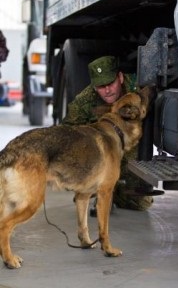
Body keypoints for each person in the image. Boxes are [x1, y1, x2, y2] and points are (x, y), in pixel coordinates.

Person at [62, 55, 155, 211]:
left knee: (141, 203)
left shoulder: (136, 86)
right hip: (100, 154)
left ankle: (112, 190)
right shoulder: (85, 100)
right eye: (100, 86)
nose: (106, 91)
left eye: (110, 84)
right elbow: (67, 132)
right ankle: (99, 188)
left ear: (120, 77)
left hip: (129, 154)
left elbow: (152, 95)